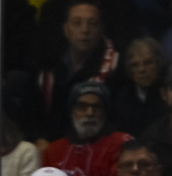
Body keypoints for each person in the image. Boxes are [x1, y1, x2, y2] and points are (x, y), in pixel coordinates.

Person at [24, 0, 118, 140]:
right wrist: (40, 139)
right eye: (77, 23)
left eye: (92, 24)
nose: (85, 30)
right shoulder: (48, 68)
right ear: (66, 29)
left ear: (100, 30)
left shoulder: (115, 69)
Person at [42, 81, 128, 176]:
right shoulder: (53, 150)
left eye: (97, 107)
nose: (89, 113)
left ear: (105, 112)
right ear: (71, 112)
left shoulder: (121, 143)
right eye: (82, 107)